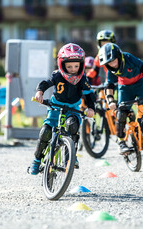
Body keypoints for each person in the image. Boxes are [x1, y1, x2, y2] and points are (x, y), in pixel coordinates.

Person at [29, 43, 96, 175]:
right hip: (56, 106)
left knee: (72, 127)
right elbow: (45, 83)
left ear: (81, 65)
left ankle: (70, 157)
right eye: (69, 66)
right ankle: (36, 160)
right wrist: (40, 92)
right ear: (62, 64)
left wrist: (91, 108)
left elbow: (90, 95)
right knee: (46, 132)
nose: (73, 69)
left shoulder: (82, 78)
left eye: (76, 66)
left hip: (73, 108)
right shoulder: (57, 75)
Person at [98, 43, 143, 155]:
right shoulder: (110, 69)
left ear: (119, 56)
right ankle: (121, 142)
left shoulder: (128, 58)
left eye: (114, 60)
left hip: (140, 84)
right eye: (109, 62)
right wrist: (110, 101)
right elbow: (109, 85)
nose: (112, 64)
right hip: (124, 88)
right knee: (121, 113)